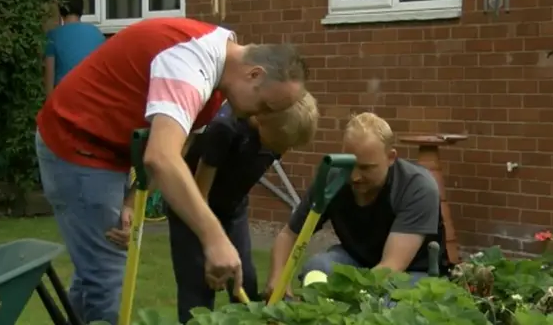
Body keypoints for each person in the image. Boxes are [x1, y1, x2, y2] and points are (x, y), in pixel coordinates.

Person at [35, 17, 308, 324]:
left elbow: (180, 142)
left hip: (108, 153)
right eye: (266, 106)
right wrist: (214, 238)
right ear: (254, 74)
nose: (261, 116)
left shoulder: (220, 68)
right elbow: (161, 157)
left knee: (94, 272)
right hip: (76, 146)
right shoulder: (191, 65)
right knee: (107, 277)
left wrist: (130, 200)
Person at [109, 94, 319, 323]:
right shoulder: (224, 129)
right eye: (281, 143)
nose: (284, 150)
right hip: (192, 211)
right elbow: (200, 194)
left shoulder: (277, 135)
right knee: (198, 286)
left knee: (245, 281)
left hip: (233, 210)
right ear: (262, 120)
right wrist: (212, 246)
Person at [265, 112, 446, 298]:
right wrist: (277, 278)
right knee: (317, 269)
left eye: (366, 168)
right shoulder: (332, 177)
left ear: (391, 157)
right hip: (356, 261)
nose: (354, 176)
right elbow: (289, 234)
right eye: (350, 164)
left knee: (387, 303)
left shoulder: (416, 187)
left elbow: (391, 267)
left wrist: (348, 295)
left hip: (411, 272)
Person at [43, 0, 105, 95]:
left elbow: (49, 77)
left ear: (60, 12)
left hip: (65, 96)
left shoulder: (53, 36)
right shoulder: (97, 34)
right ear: (82, 12)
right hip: (93, 95)